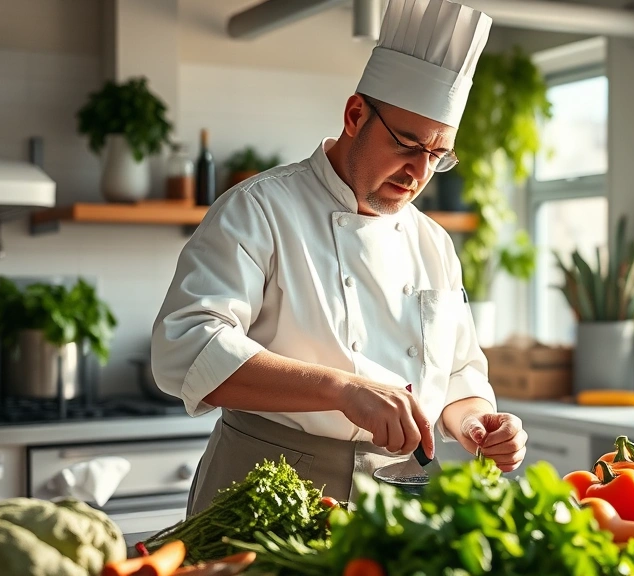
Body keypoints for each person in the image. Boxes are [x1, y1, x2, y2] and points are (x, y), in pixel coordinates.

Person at [151, 0, 527, 515]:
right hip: (267, 484)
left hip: (399, 494)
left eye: (437, 156)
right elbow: (185, 347)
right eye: (407, 145)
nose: (418, 173)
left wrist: (478, 422)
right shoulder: (260, 209)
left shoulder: (433, 242)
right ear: (355, 116)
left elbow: (459, 369)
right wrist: (341, 389)